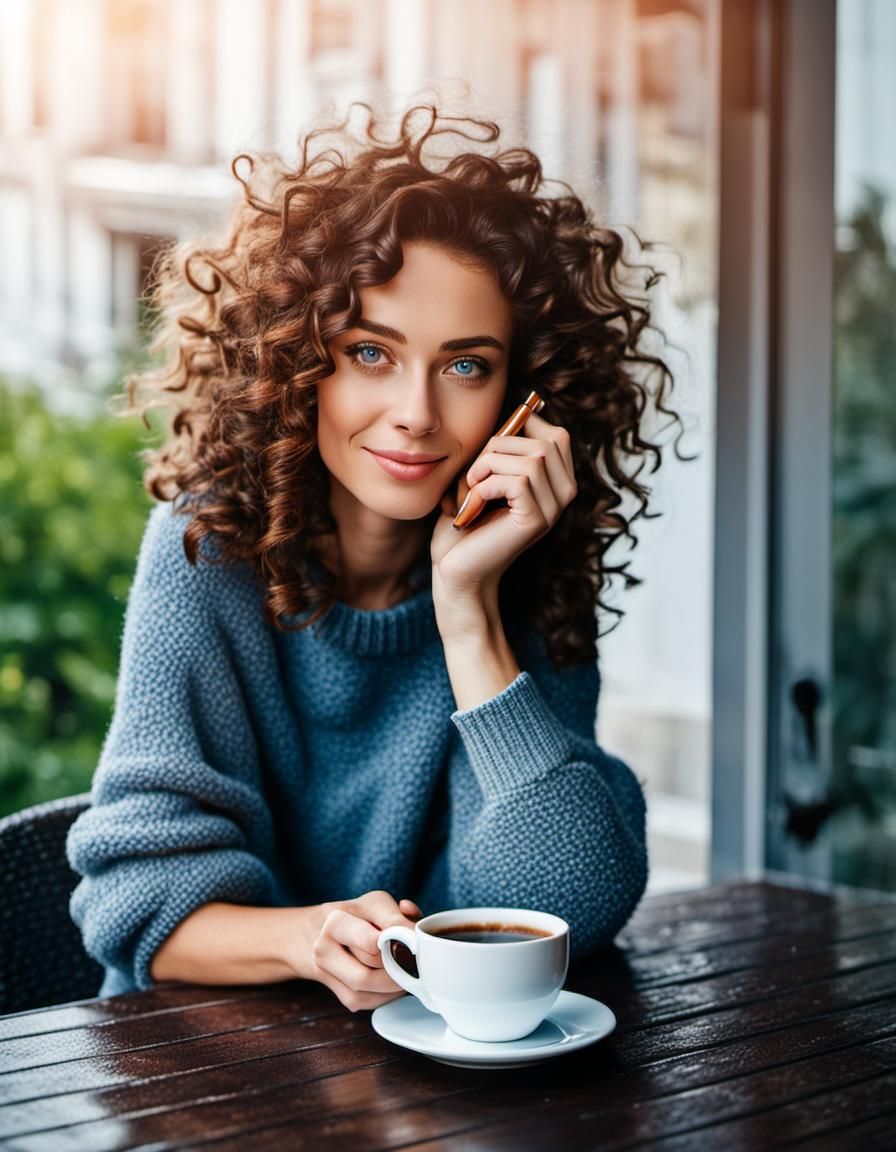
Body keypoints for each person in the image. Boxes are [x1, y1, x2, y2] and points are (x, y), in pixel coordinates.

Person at [66, 101, 682, 1011]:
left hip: (434, 1085)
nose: (418, 414)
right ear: (295, 360)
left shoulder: (521, 565)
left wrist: (467, 612)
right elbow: (128, 900)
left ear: (528, 396)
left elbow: (568, 904)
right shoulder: (207, 551)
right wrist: (309, 939)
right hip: (200, 1068)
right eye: (370, 352)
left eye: (467, 365)